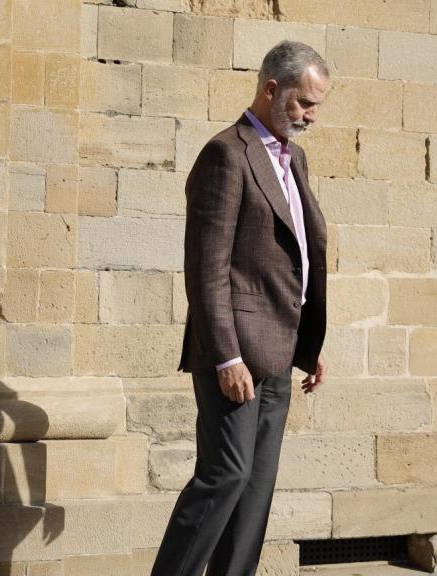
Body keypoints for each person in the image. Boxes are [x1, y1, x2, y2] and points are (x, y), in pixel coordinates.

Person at [151, 40, 331, 576]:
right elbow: (207, 269)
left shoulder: (294, 158)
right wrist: (227, 357)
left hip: (281, 347)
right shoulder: (226, 153)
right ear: (271, 88)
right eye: (304, 103)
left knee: (255, 491)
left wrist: (311, 344)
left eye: (317, 105)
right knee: (225, 473)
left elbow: (298, 254)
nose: (310, 117)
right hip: (235, 355)